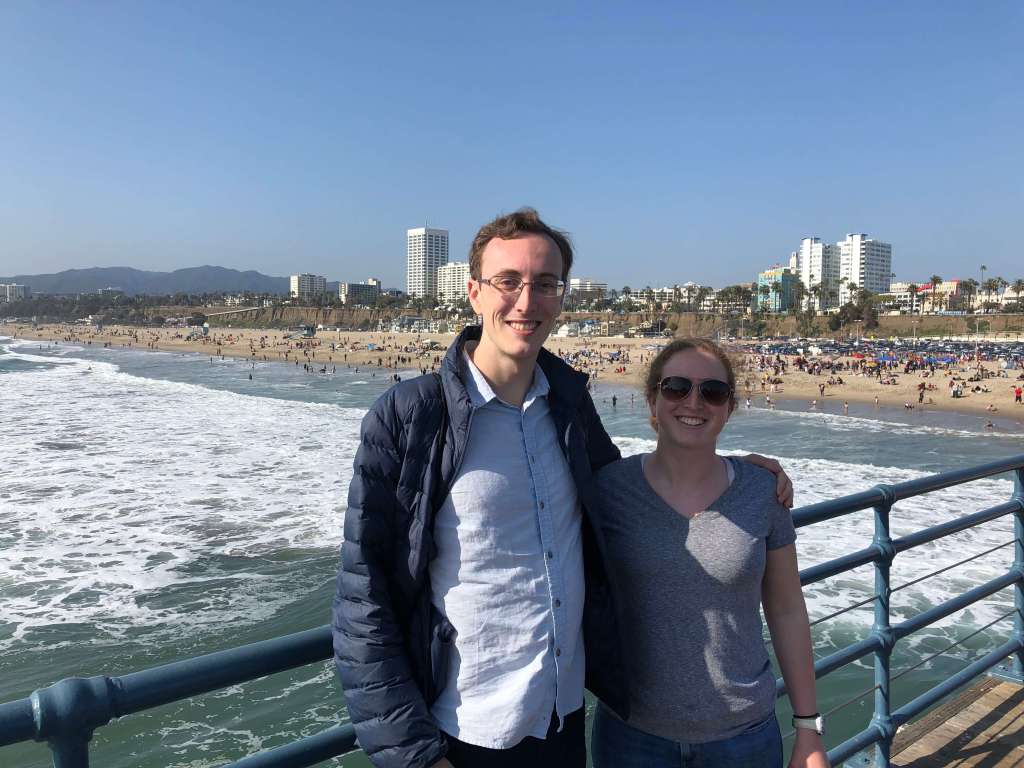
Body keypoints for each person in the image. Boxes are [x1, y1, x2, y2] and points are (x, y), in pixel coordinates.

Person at [332, 209, 793, 768]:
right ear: (474, 293)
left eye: (545, 284)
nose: (527, 302)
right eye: (509, 282)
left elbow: (628, 487)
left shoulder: (569, 406)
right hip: (463, 732)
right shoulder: (410, 417)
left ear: (561, 296)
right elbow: (364, 599)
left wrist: (730, 467)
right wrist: (413, 755)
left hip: (562, 719)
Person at [589, 338, 827, 768]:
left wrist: (809, 729)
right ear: (652, 399)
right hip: (632, 736)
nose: (693, 402)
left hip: (743, 737)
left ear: (729, 407)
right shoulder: (608, 489)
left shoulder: (762, 492)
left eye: (712, 392)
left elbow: (788, 609)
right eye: (676, 387)